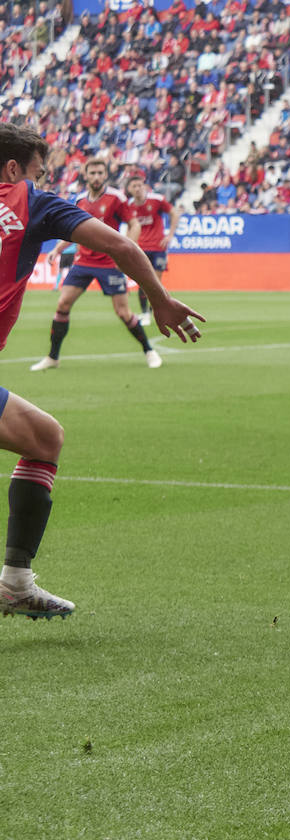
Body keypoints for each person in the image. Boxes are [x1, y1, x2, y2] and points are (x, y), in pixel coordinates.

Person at [0, 122, 203, 619]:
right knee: (45, 439)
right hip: (101, 263)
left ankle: (15, 585)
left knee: (43, 438)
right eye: (38, 172)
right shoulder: (32, 202)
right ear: (14, 169)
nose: (42, 180)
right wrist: (161, 301)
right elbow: (124, 247)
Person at [31, 158, 164, 370]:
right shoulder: (80, 200)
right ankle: (53, 357)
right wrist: (57, 250)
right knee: (63, 305)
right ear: (86, 175)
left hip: (110, 262)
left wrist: (126, 253)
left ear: (106, 175)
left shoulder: (116, 198)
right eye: (92, 173)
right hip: (83, 261)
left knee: (123, 313)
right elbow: (72, 229)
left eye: (100, 173)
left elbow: (134, 225)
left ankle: (149, 351)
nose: (96, 177)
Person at [124, 173, 180, 326]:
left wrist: (170, 235)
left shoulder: (157, 199)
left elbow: (174, 213)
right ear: (129, 189)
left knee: (156, 282)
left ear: (144, 186)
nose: (137, 188)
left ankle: (156, 311)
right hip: (140, 248)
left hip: (158, 247)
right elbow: (130, 226)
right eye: (134, 186)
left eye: (139, 185)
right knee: (143, 282)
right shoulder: (128, 205)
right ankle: (145, 314)